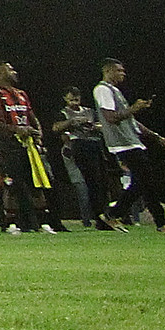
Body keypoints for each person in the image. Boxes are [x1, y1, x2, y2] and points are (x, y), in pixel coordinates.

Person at [0, 62, 64, 234]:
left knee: (38, 181)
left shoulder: (21, 94)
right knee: (15, 183)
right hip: (9, 145)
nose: (14, 72)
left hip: (29, 145)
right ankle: (16, 222)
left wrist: (38, 135)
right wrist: (15, 130)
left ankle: (42, 221)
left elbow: (31, 116)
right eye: (10, 69)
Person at [94, 58, 165, 232]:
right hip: (122, 143)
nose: (122, 74)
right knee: (147, 181)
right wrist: (133, 108)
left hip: (131, 141)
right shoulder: (102, 90)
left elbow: (131, 120)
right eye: (119, 70)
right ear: (108, 71)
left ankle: (112, 215)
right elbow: (110, 117)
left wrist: (157, 137)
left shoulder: (115, 91)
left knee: (142, 182)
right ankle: (159, 222)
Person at [55, 86, 113, 230]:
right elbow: (56, 128)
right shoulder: (63, 113)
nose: (75, 102)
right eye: (71, 99)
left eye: (77, 99)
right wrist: (72, 122)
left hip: (94, 144)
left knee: (101, 183)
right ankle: (89, 218)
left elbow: (102, 124)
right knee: (84, 185)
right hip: (76, 146)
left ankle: (104, 217)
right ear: (65, 99)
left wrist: (95, 126)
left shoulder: (89, 111)